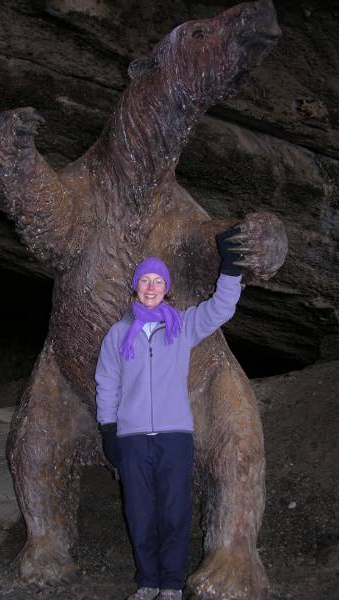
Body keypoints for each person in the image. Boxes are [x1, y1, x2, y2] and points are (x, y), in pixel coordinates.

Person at [95, 226, 247, 600]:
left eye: (157, 281)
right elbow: (107, 382)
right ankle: (148, 581)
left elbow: (221, 308)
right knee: (139, 514)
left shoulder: (181, 327)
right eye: (144, 280)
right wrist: (108, 428)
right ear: (136, 287)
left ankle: (172, 584)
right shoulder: (118, 334)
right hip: (131, 439)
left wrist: (230, 270)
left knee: (175, 513)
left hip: (174, 436)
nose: (150, 287)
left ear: (166, 288)